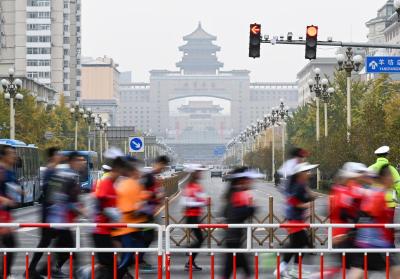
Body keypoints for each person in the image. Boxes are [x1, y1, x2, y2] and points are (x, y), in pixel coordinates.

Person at [36, 152, 87, 278]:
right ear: (71, 161)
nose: (82, 162)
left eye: (83, 160)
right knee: (71, 247)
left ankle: (46, 268)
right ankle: (71, 272)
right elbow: (58, 197)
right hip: (59, 218)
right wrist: (77, 208)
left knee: (66, 247)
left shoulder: (72, 175)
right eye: (78, 160)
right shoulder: (66, 175)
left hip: (62, 219)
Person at [349, 164, 400, 279]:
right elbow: (371, 214)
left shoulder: (374, 192)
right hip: (377, 242)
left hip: (368, 241)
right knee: (396, 270)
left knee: (359, 271)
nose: (392, 179)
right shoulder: (378, 194)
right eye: (390, 176)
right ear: (384, 178)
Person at [274, 162, 318, 277]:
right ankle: (281, 268)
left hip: (298, 220)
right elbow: (292, 201)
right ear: (300, 174)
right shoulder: (297, 186)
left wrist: (309, 194)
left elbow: (309, 197)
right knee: (297, 244)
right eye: (306, 172)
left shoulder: (302, 185)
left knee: (299, 245)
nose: (308, 174)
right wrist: (305, 206)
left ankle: (294, 268)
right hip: (294, 220)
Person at [27, 147, 63, 279]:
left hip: (52, 212)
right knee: (47, 241)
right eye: (58, 154)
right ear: (53, 156)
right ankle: (35, 269)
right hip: (49, 213)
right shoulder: (50, 171)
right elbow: (50, 193)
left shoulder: (53, 171)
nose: (60, 156)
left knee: (51, 240)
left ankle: (43, 267)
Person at [112, 156, 149, 279]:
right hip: (127, 228)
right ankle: (117, 275)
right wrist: (143, 208)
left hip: (128, 227)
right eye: (138, 170)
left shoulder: (124, 183)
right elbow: (130, 209)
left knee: (131, 254)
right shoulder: (131, 185)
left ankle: (122, 274)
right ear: (132, 171)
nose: (140, 173)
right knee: (127, 257)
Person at [221, 167, 260, 279]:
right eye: (248, 179)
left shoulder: (234, 192)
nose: (250, 182)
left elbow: (226, 213)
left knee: (230, 270)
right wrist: (251, 207)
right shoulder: (237, 194)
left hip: (234, 238)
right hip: (233, 239)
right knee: (245, 271)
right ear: (241, 180)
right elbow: (239, 213)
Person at [91, 156, 126, 277]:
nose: (121, 175)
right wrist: (111, 213)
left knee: (111, 265)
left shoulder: (112, 185)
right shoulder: (106, 183)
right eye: (121, 172)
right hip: (100, 231)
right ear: (116, 169)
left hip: (108, 231)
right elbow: (98, 203)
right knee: (108, 266)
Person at [138, 155, 170, 272]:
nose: (163, 168)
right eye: (163, 166)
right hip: (144, 213)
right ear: (159, 163)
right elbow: (140, 192)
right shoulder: (148, 177)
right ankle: (138, 260)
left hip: (150, 212)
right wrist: (155, 196)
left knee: (149, 237)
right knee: (146, 237)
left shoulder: (154, 177)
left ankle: (139, 259)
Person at [182, 164, 208, 271]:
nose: (200, 174)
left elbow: (202, 198)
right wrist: (201, 202)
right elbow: (186, 202)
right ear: (194, 174)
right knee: (200, 239)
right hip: (191, 216)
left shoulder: (196, 185)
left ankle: (190, 260)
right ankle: (188, 253)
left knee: (200, 239)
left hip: (195, 216)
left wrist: (202, 201)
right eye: (198, 172)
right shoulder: (190, 186)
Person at [0, 145, 20, 278]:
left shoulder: (10, 171)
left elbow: (13, 186)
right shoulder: (1, 170)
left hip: (6, 213)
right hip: (1, 214)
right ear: (4, 156)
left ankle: (5, 273)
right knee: (10, 244)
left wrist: (19, 191)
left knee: (9, 245)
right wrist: (4, 200)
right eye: (11, 154)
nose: (14, 156)